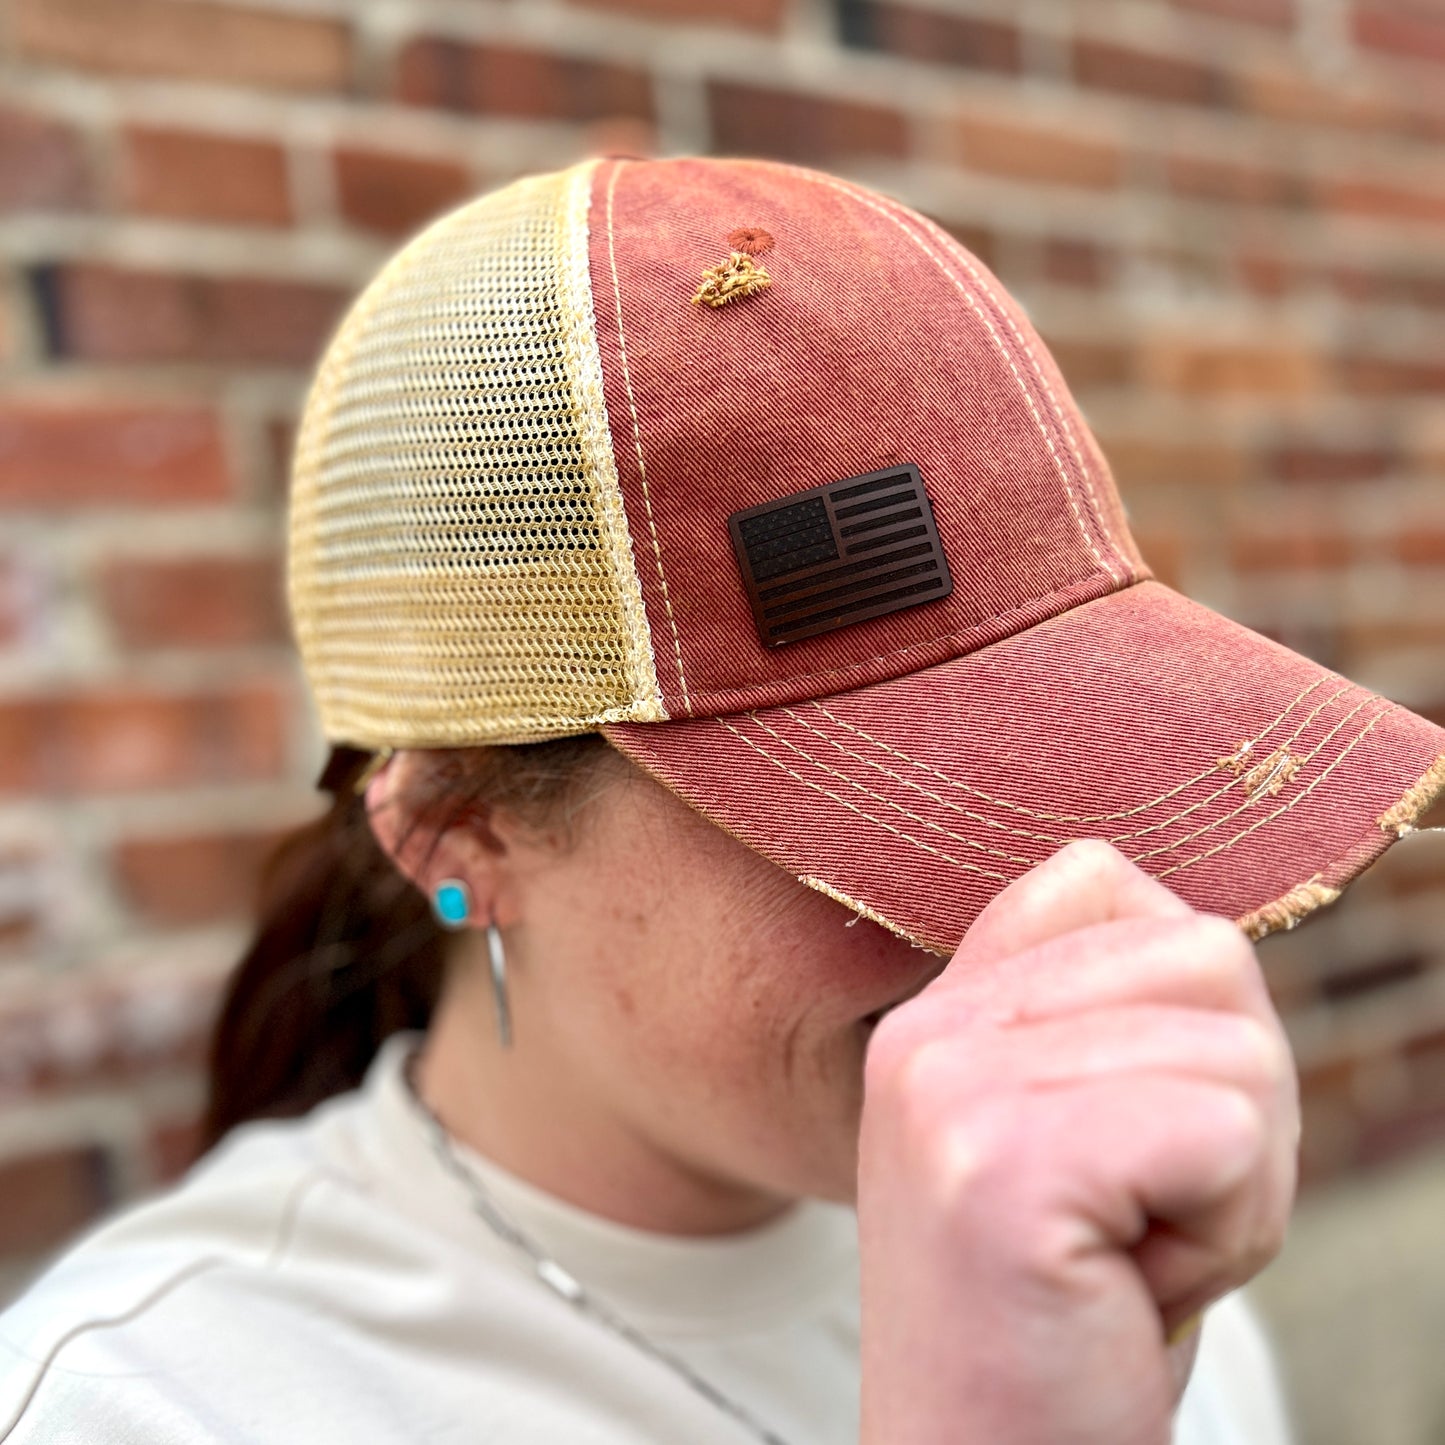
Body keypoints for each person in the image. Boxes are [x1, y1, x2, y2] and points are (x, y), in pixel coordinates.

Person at [2, 152, 1443, 1445]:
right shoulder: (157, 1400)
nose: (1068, 898)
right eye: (893, 812)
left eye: (1069, 754)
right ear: (456, 836)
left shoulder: (1131, 1246)